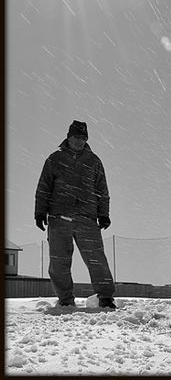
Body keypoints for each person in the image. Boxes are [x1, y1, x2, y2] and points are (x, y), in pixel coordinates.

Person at [34, 120, 116, 309]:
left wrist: (104, 214)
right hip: (58, 217)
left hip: (87, 218)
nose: (80, 141)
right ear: (68, 137)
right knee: (59, 261)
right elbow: (44, 187)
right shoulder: (55, 159)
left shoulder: (93, 161)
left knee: (97, 260)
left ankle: (105, 298)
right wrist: (40, 212)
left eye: (83, 137)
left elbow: (102, 189)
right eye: (76, 137)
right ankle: (65, 300)